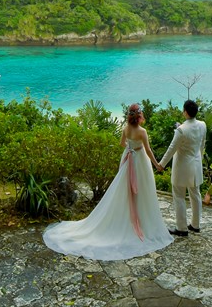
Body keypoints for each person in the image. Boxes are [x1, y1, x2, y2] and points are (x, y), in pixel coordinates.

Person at [42, 103, 173, 260]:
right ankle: (142, 222)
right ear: (139, 116)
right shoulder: (142, 132)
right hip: (140, 162)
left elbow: (121, 144)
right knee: (142, 190)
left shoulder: (126, 129)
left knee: (125, 190)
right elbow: (148, 150)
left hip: (127, 159)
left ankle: (129, 218)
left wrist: (129, 148)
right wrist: (157, 164)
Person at [158, 99, 207, 236]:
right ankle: (195, 225)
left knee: (179, 196)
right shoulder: (202, 125)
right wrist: (200, 159)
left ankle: (181, 228)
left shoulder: (181, 130)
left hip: (182, 167)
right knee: (195, 194)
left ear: (185, 112)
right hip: (196, 164)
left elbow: (171, 149)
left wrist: (161, 164)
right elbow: (202, 145)